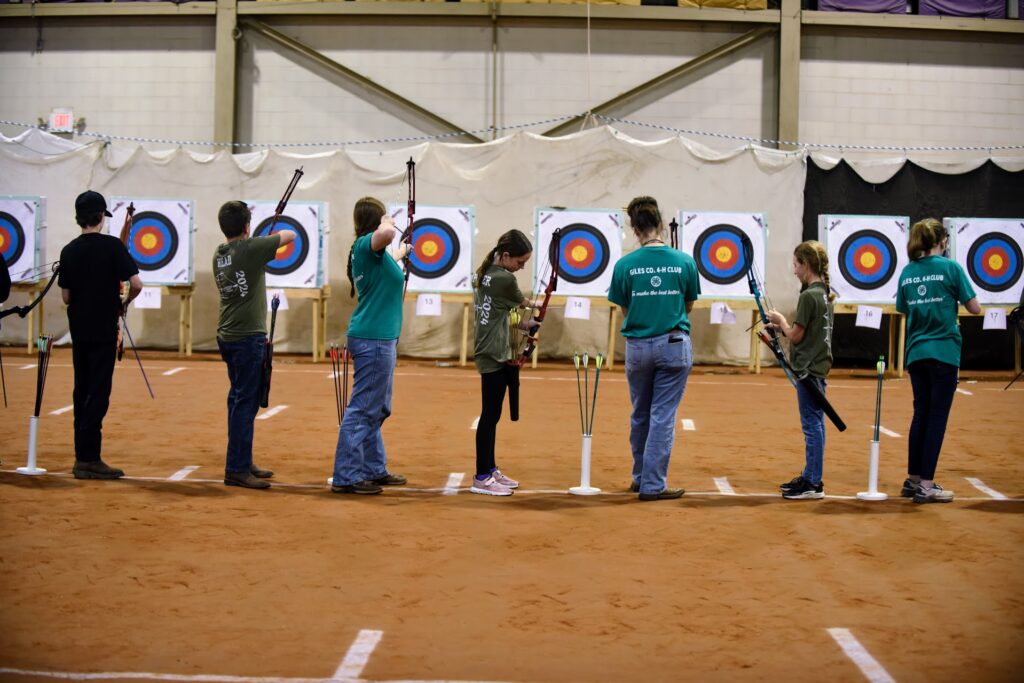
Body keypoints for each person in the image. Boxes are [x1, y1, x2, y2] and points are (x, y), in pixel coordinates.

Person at [608, 196, 700, 501]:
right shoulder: (684, 261)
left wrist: (645, 324)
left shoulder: (624, 265)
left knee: (641, 414)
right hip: (674, 345)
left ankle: (639, 477)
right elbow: (687, 305)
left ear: (635, 228)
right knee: (662, 415)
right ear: (660, 224)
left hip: (637, 347)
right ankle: (652, 484)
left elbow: (625, 307)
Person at [58, 190, 142, 479]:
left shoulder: (68, 250)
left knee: (81, 390)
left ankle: (83, 455)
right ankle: (89, 458)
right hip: (104, 329)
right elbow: (137, 284)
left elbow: (67, 297)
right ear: (99, 218)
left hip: (79, 331)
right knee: (98, 392)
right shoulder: (111, 247)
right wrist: (123, 303)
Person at [896, 218, 980, 504]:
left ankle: (914, 479)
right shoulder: (951, 268)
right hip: (943, 352)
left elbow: (904, 308)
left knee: (921, 414)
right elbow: (975, 307)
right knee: (936, 418)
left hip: (916, 352)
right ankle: (927, 486)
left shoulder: (908, 272)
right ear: (942, 241)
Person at [212, 200, 295, 489]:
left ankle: (242, 460)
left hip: (228, 335)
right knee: (245, 402)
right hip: (247, 338)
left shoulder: (219, 254)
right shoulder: (250, 250)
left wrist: (255, 241)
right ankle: (236, 468)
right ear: (247, 226)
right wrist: (258, 241)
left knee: (238, 399)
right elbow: (290, 236)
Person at [330, 197, 409, 495]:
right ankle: (347, 475)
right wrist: (388, 222)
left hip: (379, 338)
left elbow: (389, 254)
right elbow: (386, 235)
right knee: (363, 408)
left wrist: (402, 252)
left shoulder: (374, 254)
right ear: (375, 221)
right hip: (373, 339)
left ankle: (373, 469)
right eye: (381, 217)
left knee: (376, 408)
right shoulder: (366, 243)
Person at [765, 240, 835, 500]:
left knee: (811, 425)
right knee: (815, 423)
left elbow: (795, 336)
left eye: (796, 265)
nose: (794, 270)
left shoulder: (808, 296)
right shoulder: (825, 294)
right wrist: (781, 328)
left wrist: (781, 321)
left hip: (809, 370)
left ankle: (813, 483)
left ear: (806, 265)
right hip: (817, 367)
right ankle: (810, 475)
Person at [469, 229, 535, 496]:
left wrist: (525, 325)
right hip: (493, 353)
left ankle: (491, 468)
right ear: (505, 256)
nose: (521, 268)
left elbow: (498, 316)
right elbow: (524, 303)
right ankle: (482, 477)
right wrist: (536, 309)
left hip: (492, 349)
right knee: (490, 415)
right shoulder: (503, 279)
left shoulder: (486, 274)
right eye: (519, 262)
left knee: (492, 415)